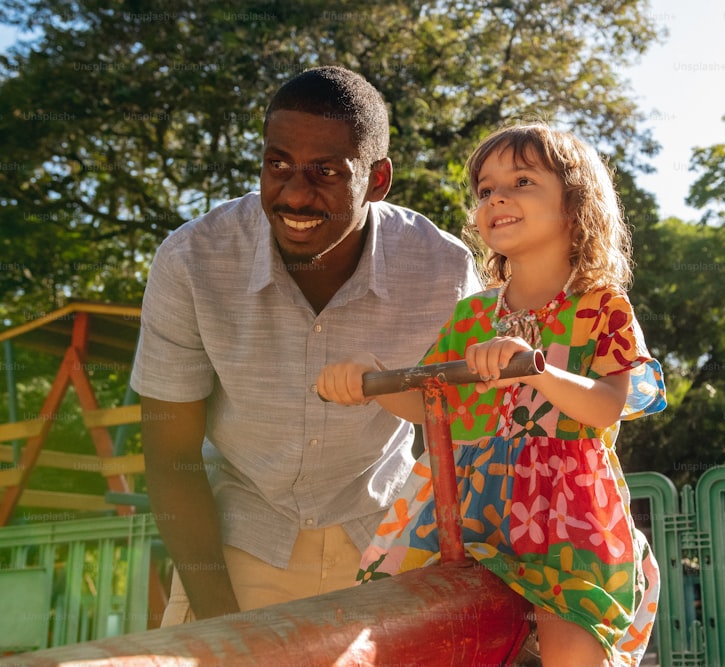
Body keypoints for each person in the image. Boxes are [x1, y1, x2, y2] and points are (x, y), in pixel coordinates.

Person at [130, 65, 481, 626]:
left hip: (391, 546)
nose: (295, 193)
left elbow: (477, 430)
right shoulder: (192, 259)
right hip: (234, 547)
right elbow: (170, 457)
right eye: (278, 166)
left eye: (325, 172)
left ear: (378, 179)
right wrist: (224, 625)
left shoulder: (444, 270)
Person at [318, 124, 667, 666]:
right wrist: (372, 380)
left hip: (563, 512)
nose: (497, 197)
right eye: (485, 190)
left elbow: (606, 406)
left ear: (575, 207)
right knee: (419, 633)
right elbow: (430, 404)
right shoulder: (473, 314)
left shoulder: (601, 306)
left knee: (573, 648)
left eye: (522, 181)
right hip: (469, 507)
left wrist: (532, 371)